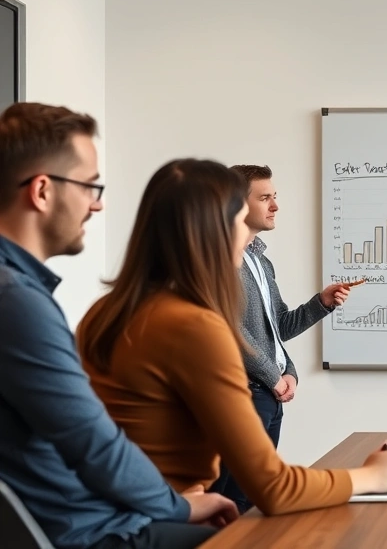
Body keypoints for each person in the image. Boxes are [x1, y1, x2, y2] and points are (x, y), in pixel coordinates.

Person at [76, 159, 387, 516]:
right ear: (217, 228)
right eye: (239, 217)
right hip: (147, 525)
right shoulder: (192, 325)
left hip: (132, 512)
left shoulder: (107, 311)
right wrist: (370, 476)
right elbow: (274, 489)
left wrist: (186, 507)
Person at [0, 103, 237, 549]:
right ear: (43, 191)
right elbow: (93, 444)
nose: (98, 202)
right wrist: (179, 507)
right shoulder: (16, 301)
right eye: (90, 185)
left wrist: (165, 502)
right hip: (90, 535)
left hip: (100, 516)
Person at [208, 164, 357, 512]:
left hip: (269, 396)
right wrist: (275, 376)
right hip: (244, 394)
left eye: (275, 197)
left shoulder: (261, 262)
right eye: (264, 198)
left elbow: (277, 329)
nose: (275, 206)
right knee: (225, 498)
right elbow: (227, 329)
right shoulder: (219, 262)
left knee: (246, 499)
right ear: (235, 205)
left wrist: (320, 304)